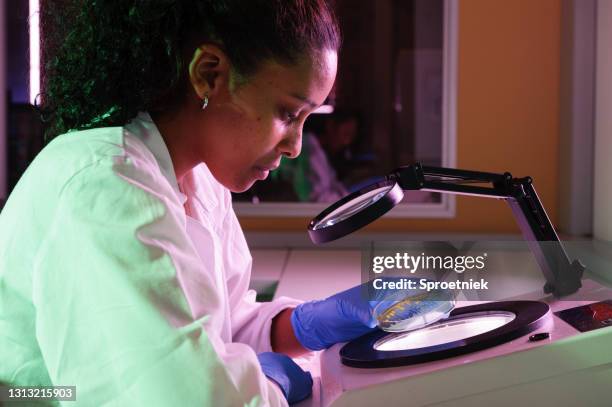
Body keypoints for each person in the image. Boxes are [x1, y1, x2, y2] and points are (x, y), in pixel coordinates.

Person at [0, 1, 380, 406]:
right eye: (288, 112)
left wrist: (310, 324)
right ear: (208, 74)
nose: (295, 147)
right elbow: (183, 396)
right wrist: (272, 388)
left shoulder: (197, 179)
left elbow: (214, 332)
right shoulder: (104, 187)